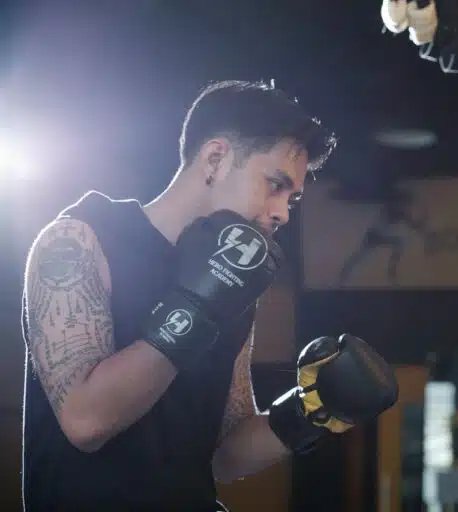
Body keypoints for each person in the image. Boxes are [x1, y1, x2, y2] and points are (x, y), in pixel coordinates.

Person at [20, 79, 398, 512]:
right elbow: (86, 422)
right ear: (215, 159)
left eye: (291, 199)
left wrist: (311, 408)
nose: (280, 212)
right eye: (274, 184)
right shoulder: (80, 239)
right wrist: (199, 305)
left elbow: (224, 455)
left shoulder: (237, 280)